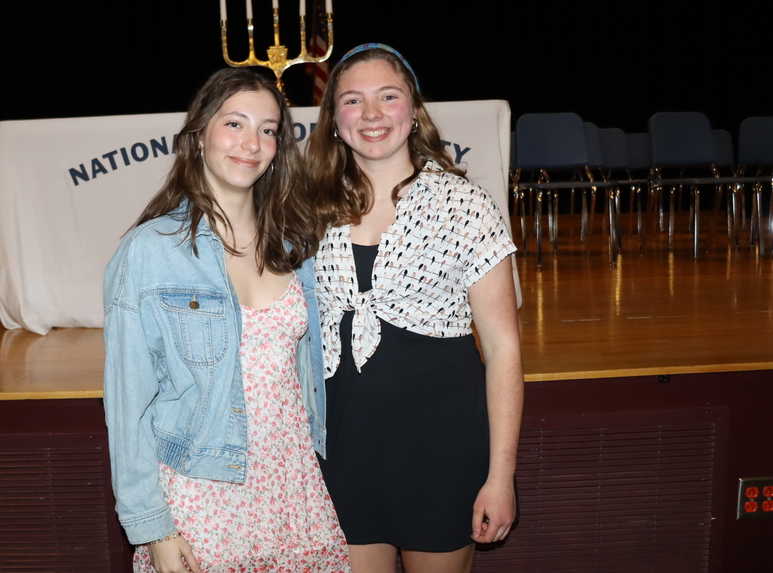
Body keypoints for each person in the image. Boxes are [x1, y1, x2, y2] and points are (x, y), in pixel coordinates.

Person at [103, 68, 350, 573]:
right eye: (234, 124)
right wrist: (153, 526)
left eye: (267, 129)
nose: (251, 143)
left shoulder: (294, 243)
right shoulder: (150, 252)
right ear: (199, 136)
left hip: (293, 491)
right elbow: (127, 406)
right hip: (202, 499)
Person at [307, 44, 524, 573]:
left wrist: (501, 477)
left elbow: (502, 349)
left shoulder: (464, 205)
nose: (373, 114)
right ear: (335, 120)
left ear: (414, 111)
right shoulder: (306, 210)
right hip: (344, 455)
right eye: (354, 101)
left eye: (388, 96)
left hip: (442, 453)